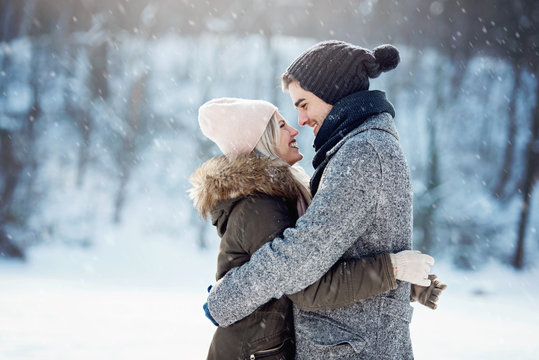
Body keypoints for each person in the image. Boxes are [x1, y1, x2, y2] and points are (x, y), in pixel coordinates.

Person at [204, 41, 442, 359]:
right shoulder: (351, 150)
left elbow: (302, 259)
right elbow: (321, 257)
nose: (299, 121)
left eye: (303, 104)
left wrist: (226, 299)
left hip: (352, 346)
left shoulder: (361, 151)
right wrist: (395, 273)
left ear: (332, 91)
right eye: (286, 118)